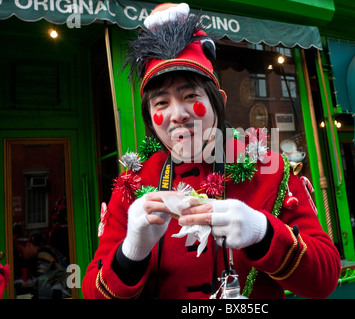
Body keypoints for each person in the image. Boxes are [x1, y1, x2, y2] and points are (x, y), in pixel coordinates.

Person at [81, 3, 340, 299]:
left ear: (220, 101)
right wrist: (132, 252)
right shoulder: (134, 183)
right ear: (150, 118)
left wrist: (263, 233)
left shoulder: (269, 169)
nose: (177, 114)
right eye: (161, 103)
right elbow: (92, 293)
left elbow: (325, 278)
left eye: (191, 95)